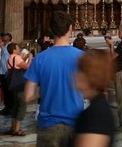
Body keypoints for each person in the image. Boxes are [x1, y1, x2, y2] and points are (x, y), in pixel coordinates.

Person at [24, 11, 84, 146]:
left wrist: (46, 87)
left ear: (51, 30)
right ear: (70, 28)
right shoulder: (82, 57)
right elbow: (91, 90)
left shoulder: (40, 58)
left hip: (48, 126)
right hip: (76, 123)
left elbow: (28, 96)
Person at [70, 49, 115, 147]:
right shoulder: (96, 108)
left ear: (89, 75)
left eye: (79, 70)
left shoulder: (96, 115)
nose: (74, 74)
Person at [7, 42, 31, 136]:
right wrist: (30, 59)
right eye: (18, 48)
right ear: (14, 50)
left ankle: (13, 127)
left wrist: (24, 58)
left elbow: (17, 65)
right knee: (22, 106)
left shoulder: (10, 58)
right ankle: (17, 129)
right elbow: (26, 67)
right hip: (20, 85)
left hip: (14, 85)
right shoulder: (16, 57)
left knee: (16, 106)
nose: (19, 49)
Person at [0, 32, 13, 115]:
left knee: (8, 91)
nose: (3, 37)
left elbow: (8, 56)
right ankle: (7, 107)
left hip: (7, 72)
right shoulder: (4, 46)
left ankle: (10, 107)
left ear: (9, 38)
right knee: (5, 91)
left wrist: (2, 47)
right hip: (3, 71)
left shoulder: (10, 46)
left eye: (5, 36)